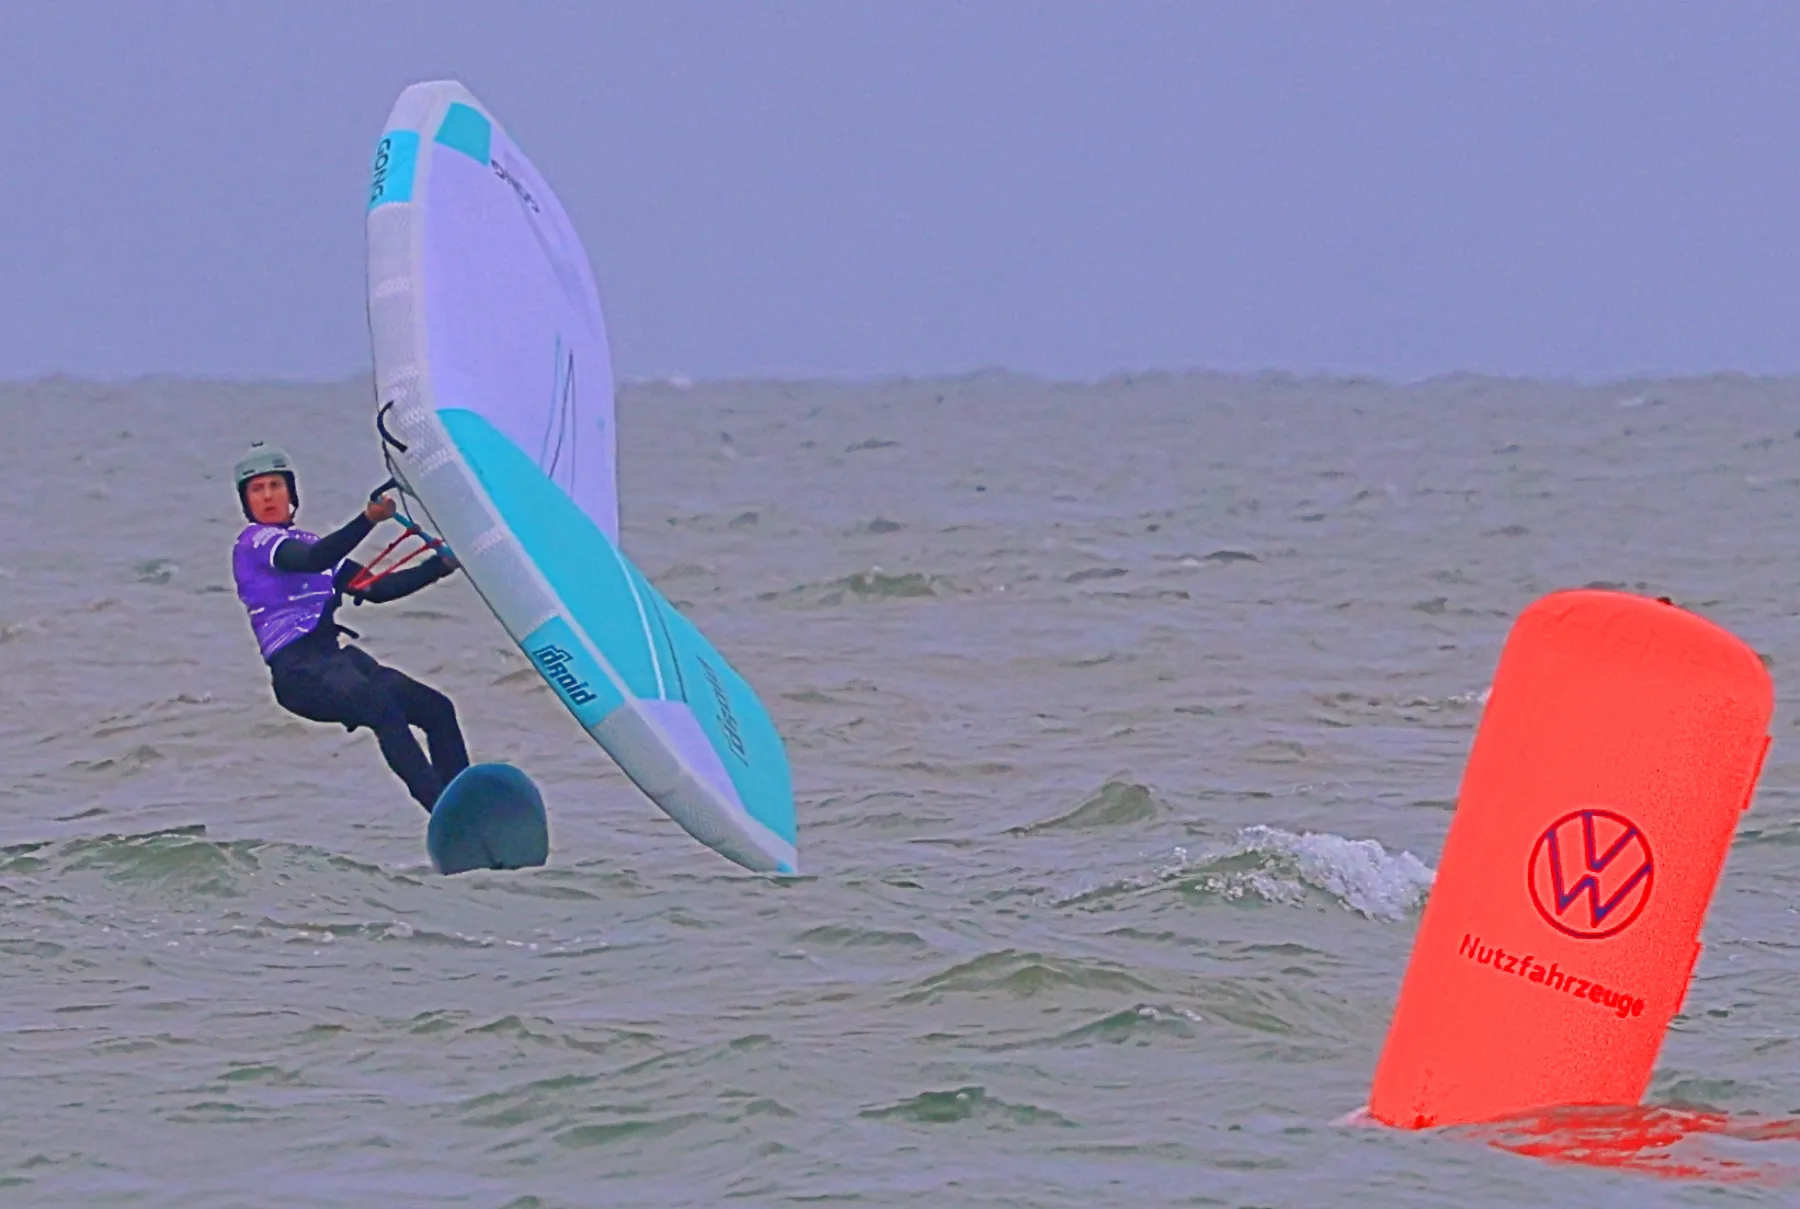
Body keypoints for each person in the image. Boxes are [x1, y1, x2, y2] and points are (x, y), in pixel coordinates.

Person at [229, 441, 470, 811]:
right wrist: (368, 520)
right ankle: (444, 811)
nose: (268, 496)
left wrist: (440, 567)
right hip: (299, 673)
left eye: (275, 485)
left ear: (290, 492)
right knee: (380, 705)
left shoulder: (309, 541)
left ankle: (467, 804)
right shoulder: (257, 543)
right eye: (257, 490)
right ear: (247, 502)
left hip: (340, 662)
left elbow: (376, 588)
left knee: (437, 709)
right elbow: (313, 559)